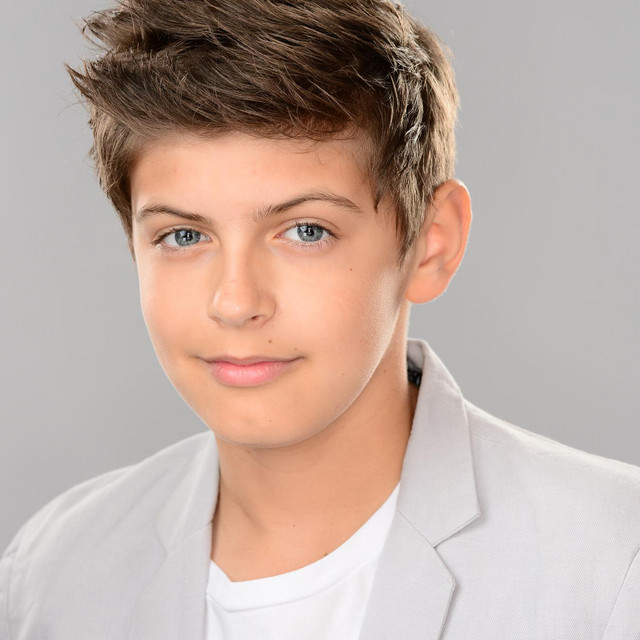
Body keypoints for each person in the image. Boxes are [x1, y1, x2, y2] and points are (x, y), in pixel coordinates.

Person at [1, 0, 639, 637]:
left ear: (431, 242)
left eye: (306, 231)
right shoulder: (50, 574)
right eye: (183, 236)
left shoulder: (613, 562)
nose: (235, 302)